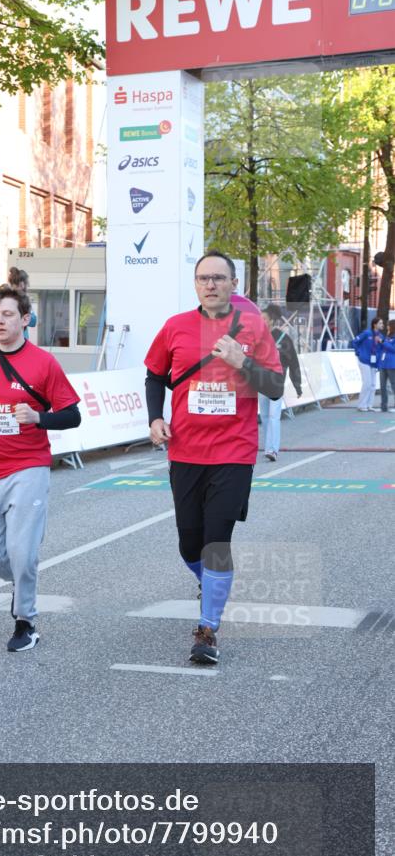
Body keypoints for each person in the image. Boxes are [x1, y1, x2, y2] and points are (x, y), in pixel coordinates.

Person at [145, 251, 284, 666]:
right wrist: (155, 418)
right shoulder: (176, 327)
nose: (211, 285)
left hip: (234, 450)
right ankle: (211, 584)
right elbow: (155, 374)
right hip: (186, 449)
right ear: (195, 284)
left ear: (233, 283)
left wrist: (241, 360)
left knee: (217, 539)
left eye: (219, 278)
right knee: (190, 541)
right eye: (204, 278)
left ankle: (207, 628)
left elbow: (276, 387)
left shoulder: (253, 327)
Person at [0, 285, 81, 652]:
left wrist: (39, 417)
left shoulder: (43, 363)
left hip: (29, 467)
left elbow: (72, 415)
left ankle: (25, 621)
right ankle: (23, 582)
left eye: (8, 314)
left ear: (25, 320)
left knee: (23, 552)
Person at [259, 303, 303, 461]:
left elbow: (293, 362)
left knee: (274, 416)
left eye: (263, 318)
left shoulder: (284, 339)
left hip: (276, 381)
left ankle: (273, 449)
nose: (260, 321)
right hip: (261, 382)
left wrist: (297, 385)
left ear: (271, 320)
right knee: (264, 416)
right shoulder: (257, 337)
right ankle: (267, 446)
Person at [352, 316, 384, 412]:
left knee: (373, 384)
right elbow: (354, 341)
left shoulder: (381, 337)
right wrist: (358, 353)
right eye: (380, 323)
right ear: (375, 324)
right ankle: (361, 405)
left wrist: (378, 364)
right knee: (367, 383)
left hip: (374, 363)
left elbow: (381, 350)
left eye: (382, 323)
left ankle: (369, 404)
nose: (382, 325)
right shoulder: (367, 333)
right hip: (364, 361)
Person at [8, 267, 37, 340]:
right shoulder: (9, 300)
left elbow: (32, 321)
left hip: (18, 339)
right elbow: (32, 321)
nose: (28, 285)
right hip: (15, 340)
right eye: (27, 283)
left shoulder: (25, 300)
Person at [378, 318, 395, 412]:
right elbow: (383, 348)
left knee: (393, 385)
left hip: (392, 364)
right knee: (382, 386)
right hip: (383, 364)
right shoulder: (387, 336)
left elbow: (393, 349)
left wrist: (383, 342)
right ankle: (383, 405)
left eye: (389, 325)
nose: (387, 326)